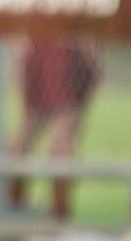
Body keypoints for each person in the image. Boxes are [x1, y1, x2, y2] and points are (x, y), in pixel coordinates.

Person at [7, 35, 102, 220]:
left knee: (51, 139)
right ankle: (25, 210)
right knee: (28, 139)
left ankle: (51, 214)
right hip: (50, 44)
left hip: (56, 46)